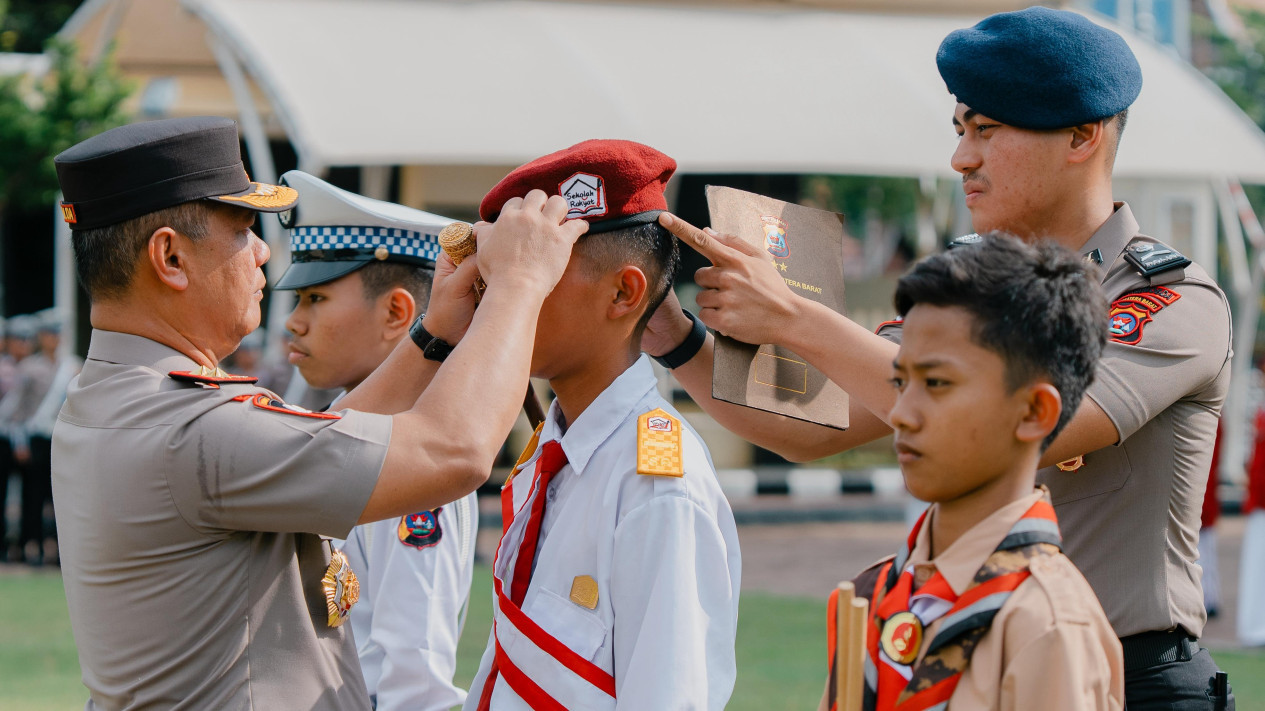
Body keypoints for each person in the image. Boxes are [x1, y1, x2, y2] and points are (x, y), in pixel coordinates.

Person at [648, 7, 1232, 708]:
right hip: (956, 661)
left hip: (1123, 674)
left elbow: (1021, 424)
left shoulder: (1168, 298)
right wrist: (670, 332)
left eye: (986, 130)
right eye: (960, 131)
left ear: (1082, 135)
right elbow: (806, 424)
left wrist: (794, 316)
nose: (961, 158)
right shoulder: (966, 287)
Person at [51, 116, 585, 710]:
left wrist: (434, 334)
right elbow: (453, 453)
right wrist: (520, 283)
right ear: (170, 257)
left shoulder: (114, 399)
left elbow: (323, 437)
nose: (261, 254)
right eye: (243, 230)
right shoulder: (195, 428)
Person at [462, 140, 741, 710]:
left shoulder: (657, 482)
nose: (503, 300)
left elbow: (667, 697)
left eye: (536, 273)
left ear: (624, 292)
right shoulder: (556, 447)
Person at [821, 234, 1122, 711]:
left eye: (937, 383)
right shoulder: (878, 591)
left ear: (1033, 412)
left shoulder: (1044, 624)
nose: (901, 413)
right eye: (901, 382)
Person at [274, 169, 478, 711]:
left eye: (314, 299)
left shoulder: (413, 454)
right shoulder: (353, 433)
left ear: (396, 313)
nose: (293, 323)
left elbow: (415, 677)